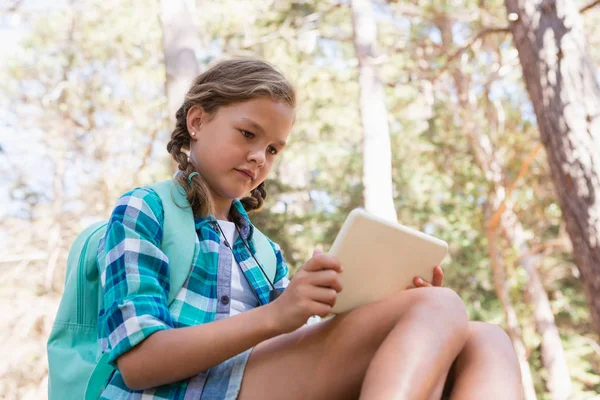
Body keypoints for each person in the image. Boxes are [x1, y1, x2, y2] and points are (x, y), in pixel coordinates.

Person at [97, 58, 523, 399]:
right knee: (441, 305)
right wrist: (279, 314)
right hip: (181, 390)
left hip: (262, 381)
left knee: (487, 341)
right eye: (247, 134)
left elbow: (296, 348)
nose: (258, 157)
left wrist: (394, 312)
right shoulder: (146, 209)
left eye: (273, 149)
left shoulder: (264, 254)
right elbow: (139, 364)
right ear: (197, 121)